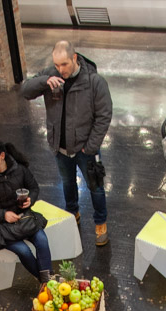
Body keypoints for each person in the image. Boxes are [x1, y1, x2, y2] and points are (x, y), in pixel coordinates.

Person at [20, 40, 113, 247]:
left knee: (95, 187)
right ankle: (73, 213)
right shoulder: (50, 75)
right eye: (57, 65)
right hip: (60, 147)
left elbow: (104, 116)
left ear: (74, 58)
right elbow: (26, 91)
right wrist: (45, 81)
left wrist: (90, 147)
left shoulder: (94, 82)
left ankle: (100, 223)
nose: (60, 69)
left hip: (85, 149)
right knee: (68, 183)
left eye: (64, 64)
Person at [0, 139, 53, 282]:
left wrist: (30, 200)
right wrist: (3, 215)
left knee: (42, 241)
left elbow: (34, 188)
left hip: (24, 219)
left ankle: (47, 282)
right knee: (24, 251)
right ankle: (47, 282)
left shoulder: (20, 170)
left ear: (2, 156)